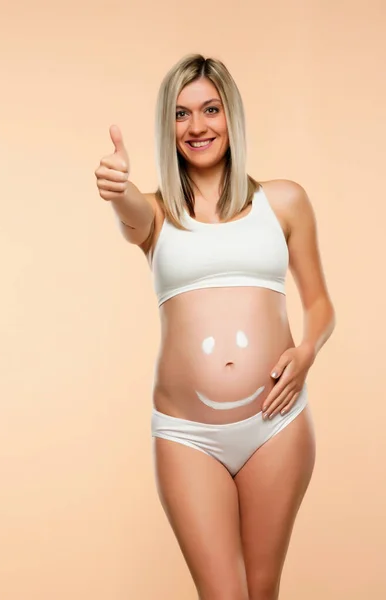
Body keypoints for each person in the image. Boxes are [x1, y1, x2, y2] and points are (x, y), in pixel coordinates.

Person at [94, 53, 336, 600]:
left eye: (210, 109)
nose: (197, 127)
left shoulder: (285, 202)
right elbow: (130, 212)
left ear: (232, 116)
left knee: (262, 589)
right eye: (181, 114)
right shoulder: (157, 215)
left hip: (276, 424)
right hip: (187, 435)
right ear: (167, 125)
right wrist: (117, 188)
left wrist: (306, 354)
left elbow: (321, 305)